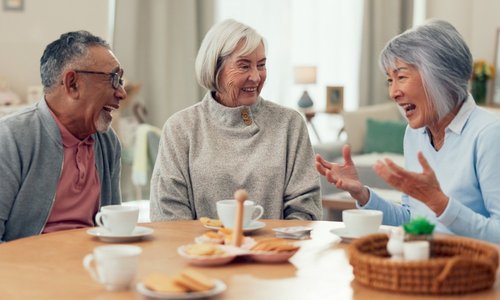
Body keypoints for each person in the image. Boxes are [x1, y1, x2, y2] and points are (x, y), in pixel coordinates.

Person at [316, 20, 500, 243]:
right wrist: (361, 193)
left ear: (440, 76)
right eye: (389, 80)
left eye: (401, 77)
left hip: (472, 273)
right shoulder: (415, 135)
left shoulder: (489, 135)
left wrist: (441, 204)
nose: (393, 93)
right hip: (422, 269)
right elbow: (412, 219)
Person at [150, 19, 321, 221]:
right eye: (244, 66)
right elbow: (169, 214)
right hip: (199, 250)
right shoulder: (181, 128)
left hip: (275, 250)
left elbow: (305, 210)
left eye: (261, 65)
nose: (256, 77)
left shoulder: (290, 124)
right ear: (215, 69)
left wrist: (272, 248)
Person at [0, 31, 126, 242]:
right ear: (72, 83)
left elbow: (112, 226)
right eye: (114, 79)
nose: (122, 92)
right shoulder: (10, 139)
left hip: (92, 266)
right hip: (26, 269)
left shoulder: (107, 141)